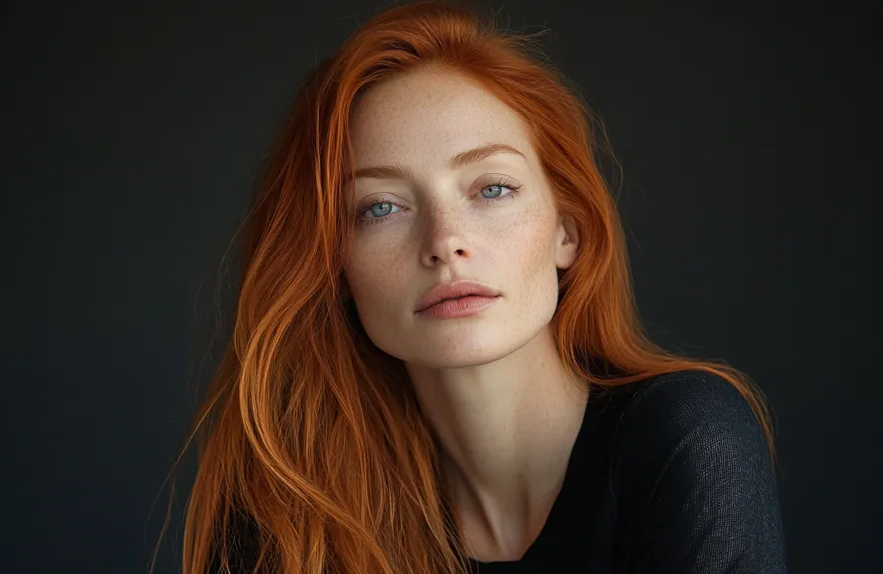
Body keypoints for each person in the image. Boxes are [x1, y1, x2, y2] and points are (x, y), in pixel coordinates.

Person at [170, 1, 787, 572]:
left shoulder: (686, 438)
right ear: (336, 269)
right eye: (381, 207)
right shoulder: (296, 506)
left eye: (492, 189)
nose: (445, 241)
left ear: (566, 232)